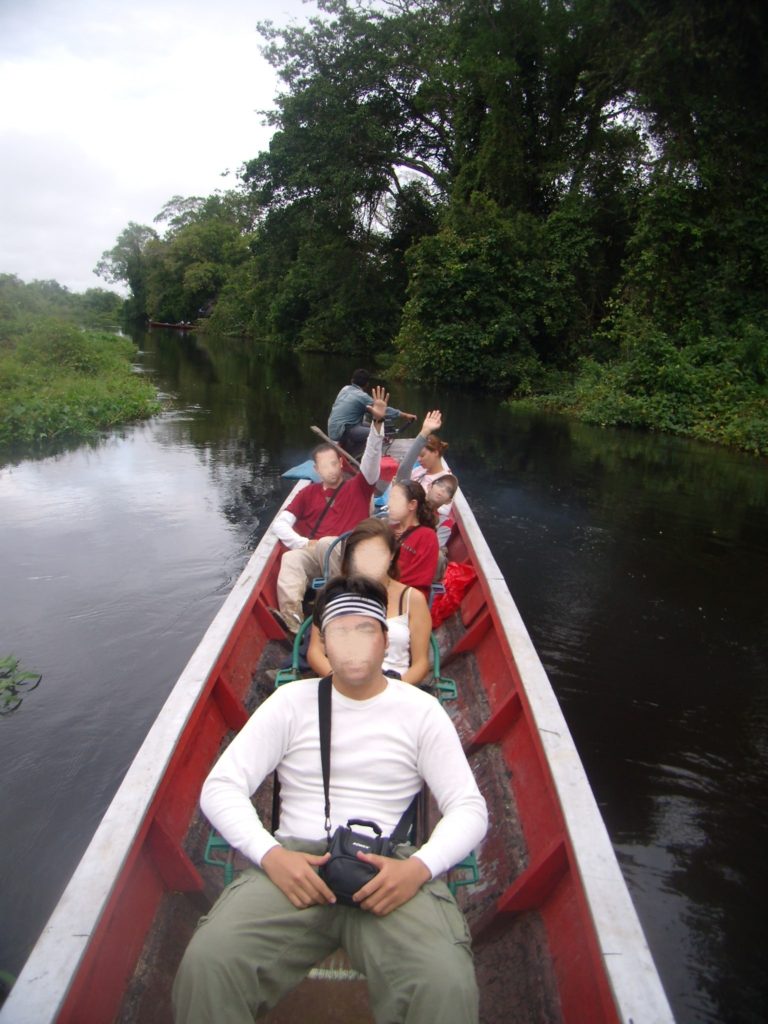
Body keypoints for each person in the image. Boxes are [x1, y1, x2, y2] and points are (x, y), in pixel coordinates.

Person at [172, 574, 488, 1024]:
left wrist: (418, 868)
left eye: (365, 630)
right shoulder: (290, 704)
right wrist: (272, 856)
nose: (353, 644)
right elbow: (221, 787)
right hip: (295, 866)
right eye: (340, 631)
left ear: (384, 640)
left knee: (445, 984)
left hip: (389, 870)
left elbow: (469, 808)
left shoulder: (421, 711)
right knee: (210, 963)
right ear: (321, 644)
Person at [273, 386, 389, 633]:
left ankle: (340, 604)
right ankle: (292, 623)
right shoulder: (308, 493)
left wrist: (377, 424)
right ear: (315, 470)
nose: (332, 469)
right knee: (290, 558)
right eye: (325, 465)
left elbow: (370, 462)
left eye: (335, 463)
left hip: (349, 555)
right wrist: (303, 543)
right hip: (317, 552)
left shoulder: (358, 486)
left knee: (327, 542)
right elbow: (280, 524)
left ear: (341, 463)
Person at [306, 518, 432, 684]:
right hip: (340, 683)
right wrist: (341, 682)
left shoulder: (412, 599)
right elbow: (316, 652)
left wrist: (394, 690)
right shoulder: (334, 593)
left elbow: (421, 663)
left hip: (395, 685)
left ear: (392, 555)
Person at [327, 368, 416, 456]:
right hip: (343, 431)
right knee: (375, 435)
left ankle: (350, 449)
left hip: (333, 429)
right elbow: (384, 410)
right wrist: (405, 415)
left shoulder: (345, 389)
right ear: (367, 384)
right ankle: (353, 457)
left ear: (352, 380)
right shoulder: (362, 397)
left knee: (369, 425)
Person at [387, 479, 439, 599]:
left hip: (405, 598)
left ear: (412, 505)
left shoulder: (427, 536)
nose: (389, 504)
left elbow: (419, 579)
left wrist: (385, 584)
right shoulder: (388, 529)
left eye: (395, 499)